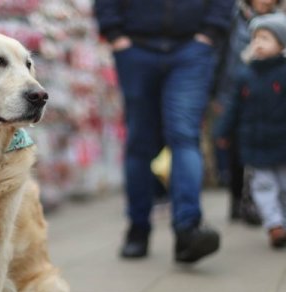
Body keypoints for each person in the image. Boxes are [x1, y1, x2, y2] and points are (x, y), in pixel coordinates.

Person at [93, 0, 235, 263]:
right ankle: (138, 228)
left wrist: (210, 33)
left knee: (184, 135)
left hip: (191, 48)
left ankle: (188, 230)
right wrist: (115, 34)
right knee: (139, 141)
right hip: (135, 47)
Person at [217, 12, 286, 248]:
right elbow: (233, 107)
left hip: (282, 141)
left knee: (284, 188)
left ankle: (284, 225)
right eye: (255, 38)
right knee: (263, 185)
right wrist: (223, 132)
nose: (258, 43)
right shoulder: (245, 74)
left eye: (265, 38)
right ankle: (274, 225)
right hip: (254, 143)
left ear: (281, 43)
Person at [214, 0, 283, 225]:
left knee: (263, 149)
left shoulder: (281, 23)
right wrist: (216, 94)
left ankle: (257, 200)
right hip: (234, 90)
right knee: (236, 149)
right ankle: (238, 199)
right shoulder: (234, 17)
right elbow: (221, 54)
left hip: (269, 95)